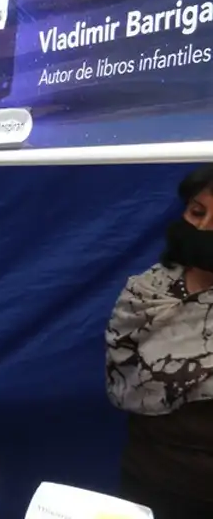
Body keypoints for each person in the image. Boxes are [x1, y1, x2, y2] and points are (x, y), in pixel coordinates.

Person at [106, 164, 213, 519]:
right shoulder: (146, 292)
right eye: (197, 211)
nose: (203, 226)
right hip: (152, 479)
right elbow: (123, 385)